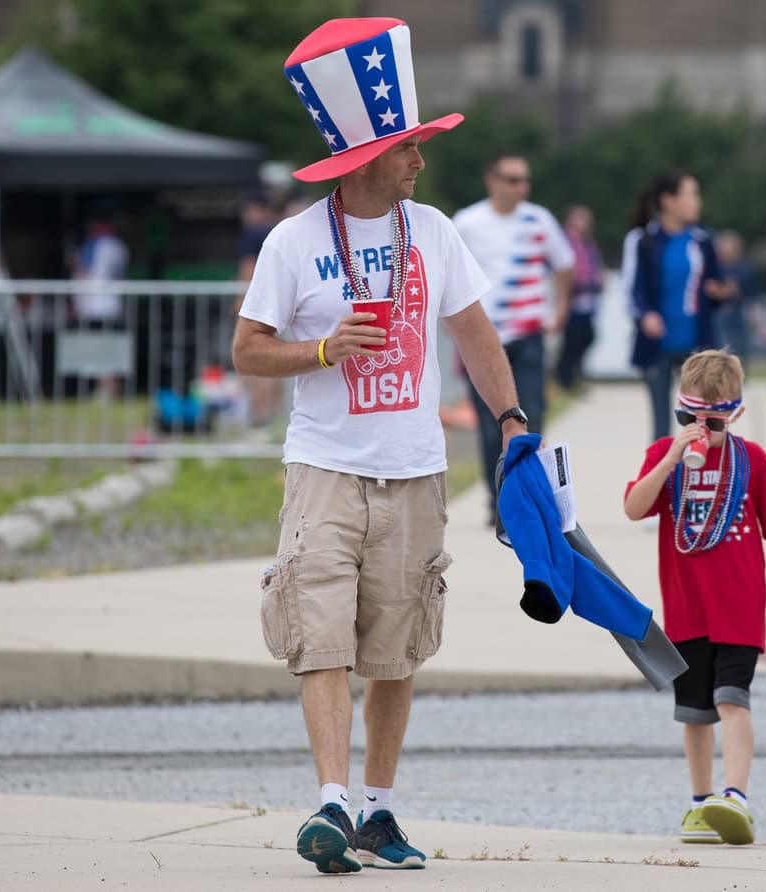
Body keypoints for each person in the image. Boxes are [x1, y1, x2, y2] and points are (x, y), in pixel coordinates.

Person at [231, 17, 528, 876]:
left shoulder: (432, 230)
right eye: (408, 147)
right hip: (324, 468)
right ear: (366, 157)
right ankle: (330, 802)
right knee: (320, 635)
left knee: (397, 650)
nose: (419, 161)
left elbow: (475, 335)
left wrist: (512, 423)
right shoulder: (294, 241)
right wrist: (324, 350)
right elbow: (248, 350)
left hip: (415, 470)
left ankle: (376, 811)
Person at [623, 348, 766, 846]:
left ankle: (735, 796)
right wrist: (671, 458)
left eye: (713, 423)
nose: (701, 430)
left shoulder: (753, 460)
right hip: (686, 607)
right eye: (689, 418)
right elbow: (634, 508)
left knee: (732, 701)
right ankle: (701, 803)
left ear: (735, 415)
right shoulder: (664, 455)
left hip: (740, 606)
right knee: (695, 711)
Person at [452, 151, 574, 522]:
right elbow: (447, 274)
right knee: (491, 428)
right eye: (513, 179)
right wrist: (453, 327)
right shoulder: (467, 222)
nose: (522, 186)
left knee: (531, 417)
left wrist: (560, 308)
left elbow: (565, 264)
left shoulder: (539, 219)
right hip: (483, 340)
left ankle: (531, 500)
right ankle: (498, 502)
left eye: (525, 179)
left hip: (529, 335)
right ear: (492, 181)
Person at [628, 170, 731, 441]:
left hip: (697, 346)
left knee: (703, 426)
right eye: (691, 195)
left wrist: (719, 291)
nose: (697, 201)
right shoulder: (644, 241)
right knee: (662, 429)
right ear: (668, 200)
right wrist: (645, 316)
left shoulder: (702, 241)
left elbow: (717, 285)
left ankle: (699, 468)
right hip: (657, 345)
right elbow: (633, 291)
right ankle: (663, 468)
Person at [233, 190, 281, 427]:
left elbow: (248, 268)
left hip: (258, 304)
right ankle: (272, 413)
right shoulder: (280, 230)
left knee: (256, 359)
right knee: (277, 359)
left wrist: (239, 301)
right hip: (280, 304)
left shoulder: (253, 235)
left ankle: (259, 413)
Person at [71, 204, 129, 397]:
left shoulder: (94, 245)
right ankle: (111, 386)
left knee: (99, 347)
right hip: (111, 304)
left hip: (94, 305)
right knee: (109, 346)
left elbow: (83, 272)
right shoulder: (119, 247)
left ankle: (106, 387)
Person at [554, 204, 604, 392]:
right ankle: (564, 379)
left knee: (586, 337)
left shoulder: (587, 244)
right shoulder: (564, 242)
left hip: (587, 302)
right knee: (572, 341)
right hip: (572, 302)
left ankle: (572, 376)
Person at [714, 230, 757, 360]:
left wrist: (752, 313)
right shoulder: (716, 268)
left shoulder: (745, 268)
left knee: (740, 348)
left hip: (739, 311)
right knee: (722, 348)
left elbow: (752, 294)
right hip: (719, 311)